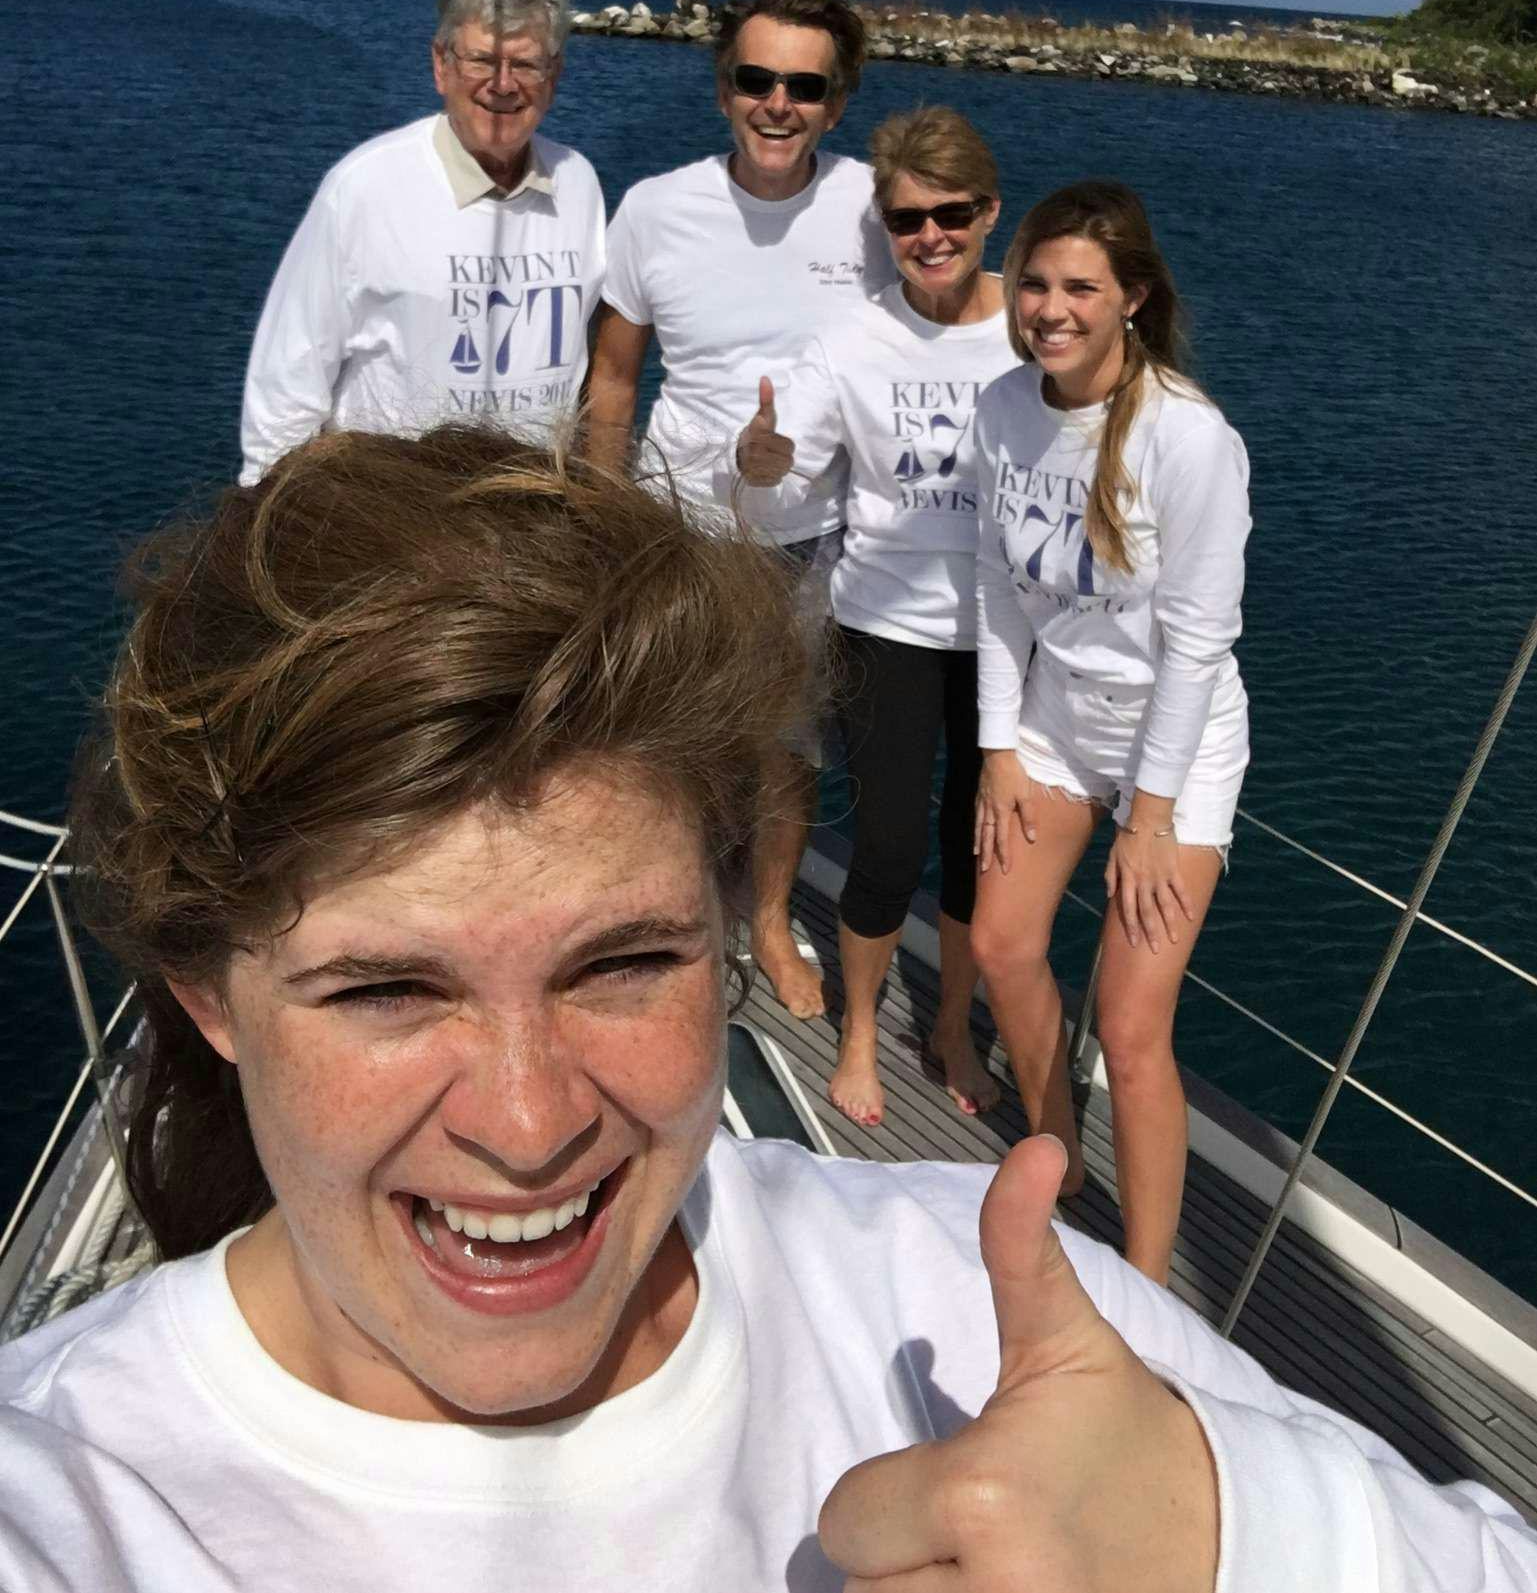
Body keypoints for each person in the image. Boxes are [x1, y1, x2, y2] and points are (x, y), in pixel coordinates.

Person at [1, 423, 1532, 1593]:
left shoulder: (964, 1313)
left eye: (622, 964)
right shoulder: (71, 1500)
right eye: (390, 989)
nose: (528, 1124)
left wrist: (1231, 1535)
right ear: (204, 990)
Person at [586, 0, 893, 1023]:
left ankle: (764, 918)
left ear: (836, 103)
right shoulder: (655, 211)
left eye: (804, 87)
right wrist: (597, 519)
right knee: (657, 736)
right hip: (673, 527)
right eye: (756, 79)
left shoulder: (868, 209)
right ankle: (659, 916)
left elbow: (946, 327)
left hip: (812, 536)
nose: (778, 104)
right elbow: (616, 379)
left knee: (786, 746)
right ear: (723, 88)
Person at [971, 180, 1251, 1285]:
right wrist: (998, 748)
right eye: (1034, 282)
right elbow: (994, 584)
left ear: (1130, 297)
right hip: (1053, 724)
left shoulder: (1189, 441)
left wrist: (1151, 816)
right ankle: (1057, 1152)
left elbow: (1195, 643)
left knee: (1132, 1033)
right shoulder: (1001, 409)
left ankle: (1144, 1281)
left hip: (1171, 757)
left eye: (1079, 286)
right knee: (1000, 945)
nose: (1050, 306)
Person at [730, 107, 1014, 1130]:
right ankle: (859, 1030)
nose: (930, 237)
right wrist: (760, 459)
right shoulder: (852, 339)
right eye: (906, 221)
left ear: (989, 210)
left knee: (983, 850)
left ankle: (948, 1026)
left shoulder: (1033, 333)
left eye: (950, 213)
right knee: (889, 845)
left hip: (1008, 648)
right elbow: (782, 459)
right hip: (885, 629)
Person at [238, 0, 606, 484]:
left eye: (525, 64)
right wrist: (265, 513)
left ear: (554, 77)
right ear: (441, 66)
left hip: (532, 517)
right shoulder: (366, 186)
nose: (502, 84)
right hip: (392, 518)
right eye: (481, 60)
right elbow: (289, 377)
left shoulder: (578, 185)